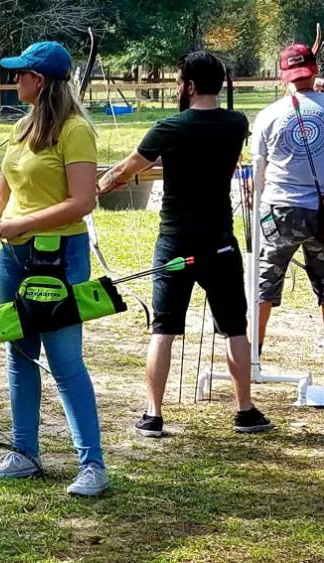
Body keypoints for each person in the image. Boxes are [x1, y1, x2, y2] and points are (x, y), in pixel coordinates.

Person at [0, 41, 108, 496]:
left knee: (64, 361)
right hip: (13, 258)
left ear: (38, 81)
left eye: (21, 73)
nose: (15, 79)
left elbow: (83, 201)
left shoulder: (76, 130)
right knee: (20, 355)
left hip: (60, 256)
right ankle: (24, 453)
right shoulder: (22, 127)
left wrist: (20, 224)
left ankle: (92, 465)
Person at [98, 51, 273, 437]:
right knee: (235, 328)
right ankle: (245, 411)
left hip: (176, 242)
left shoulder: (169, 127)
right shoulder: (235, 123)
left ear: (189, 86)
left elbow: (124, 171)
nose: (177, 86)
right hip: (219, 244)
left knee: (164, 328)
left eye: (179, 81)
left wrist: (97, 186)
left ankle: (153, 415)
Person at [251, 44, 324, 353]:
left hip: (279, 209)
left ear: (284, 76)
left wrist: (260, 200)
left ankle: (254, 352)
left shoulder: (268, 115)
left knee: (264, 284)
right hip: (321, 210)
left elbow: (259, 170)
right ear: (315, 71)